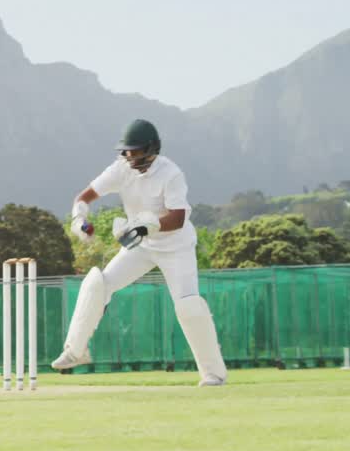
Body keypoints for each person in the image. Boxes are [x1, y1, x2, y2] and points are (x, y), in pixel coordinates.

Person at [51, 118, 228, 386]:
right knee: (99, 283)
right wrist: (80, 220)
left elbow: (178, 218)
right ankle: (76, 350)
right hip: (141, 245)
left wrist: (151, 225)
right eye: (127, 151)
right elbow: (83, 197)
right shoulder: (120, 169)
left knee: (188, 305)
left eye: (137, 151)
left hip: (175, 247)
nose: (131, 157)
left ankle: (213, 374)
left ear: (152, 149)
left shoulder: (171, 173)